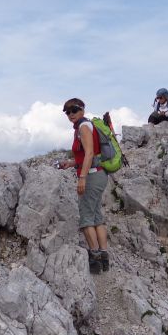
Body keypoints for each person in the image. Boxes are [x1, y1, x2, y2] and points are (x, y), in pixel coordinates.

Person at [58, 98, 110, 274]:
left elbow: (89, 154)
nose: (70, 114)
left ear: (82, 110)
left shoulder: (83, 127)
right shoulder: (85, 126)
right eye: (67, 112)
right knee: (96, 216)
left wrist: (82, 178)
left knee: (86, 217)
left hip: (92, 175)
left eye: (74, 110)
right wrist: (71, 163)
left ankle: (94, 259)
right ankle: (104, 258)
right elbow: (88, 154)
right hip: (98, 173)